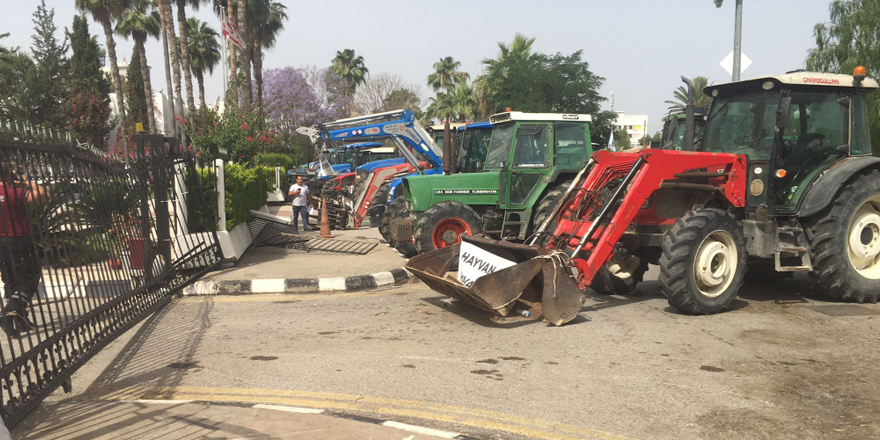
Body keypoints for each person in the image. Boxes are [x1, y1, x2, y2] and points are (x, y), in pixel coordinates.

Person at [0, 159, 48, 337]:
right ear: (8, 174)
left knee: (11, 280)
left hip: (1, 243)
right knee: (29, 280)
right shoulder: (14, 192)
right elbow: (43, 195)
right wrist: (24, 180)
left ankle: (20, 320)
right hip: (18, 241)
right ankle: (8, 313)